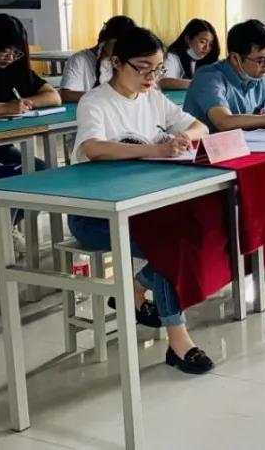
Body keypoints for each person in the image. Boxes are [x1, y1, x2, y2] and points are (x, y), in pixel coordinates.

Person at [68, 26, 215, 374]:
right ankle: (178, 341)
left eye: (158, 68)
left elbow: (201, 127)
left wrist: (183, 137)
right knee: (169, 245)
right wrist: (155, 149)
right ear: (117, 63)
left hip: (145, 207)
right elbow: (94, 147)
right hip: (97, 215)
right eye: (143, 68)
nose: (151, 77)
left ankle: (137, 286)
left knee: (201, 231)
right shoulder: (95, 101)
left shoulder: (152, 98)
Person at [0, 14, 62, 252]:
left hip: (3, 148)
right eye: (3, 50)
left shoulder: (15, 71)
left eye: (15, 52)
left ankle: (6, 227)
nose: (9, 57)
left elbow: (53, 96)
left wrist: (27, 103)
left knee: (41, 173)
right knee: (16, 174)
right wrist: (4, 108)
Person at [183, 19, 265, 132]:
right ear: (235, 58)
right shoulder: (209, 78)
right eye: (260, 60)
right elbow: (224, 121)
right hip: (204, 150)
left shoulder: (259, 80)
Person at [59, 15, 137, 102]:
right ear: (104, 41)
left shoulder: (121, 63)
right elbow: (65, 95)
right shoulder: (80, 60)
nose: (121, 50)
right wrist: (102, 96)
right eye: (118, 45)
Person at [158, 19, 220, 90]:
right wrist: (200, 83)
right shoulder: (171, 57)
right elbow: (163, 82)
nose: (207, 48)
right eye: (203, 42)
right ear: (188, 40)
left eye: (211, 44)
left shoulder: (207, 60)